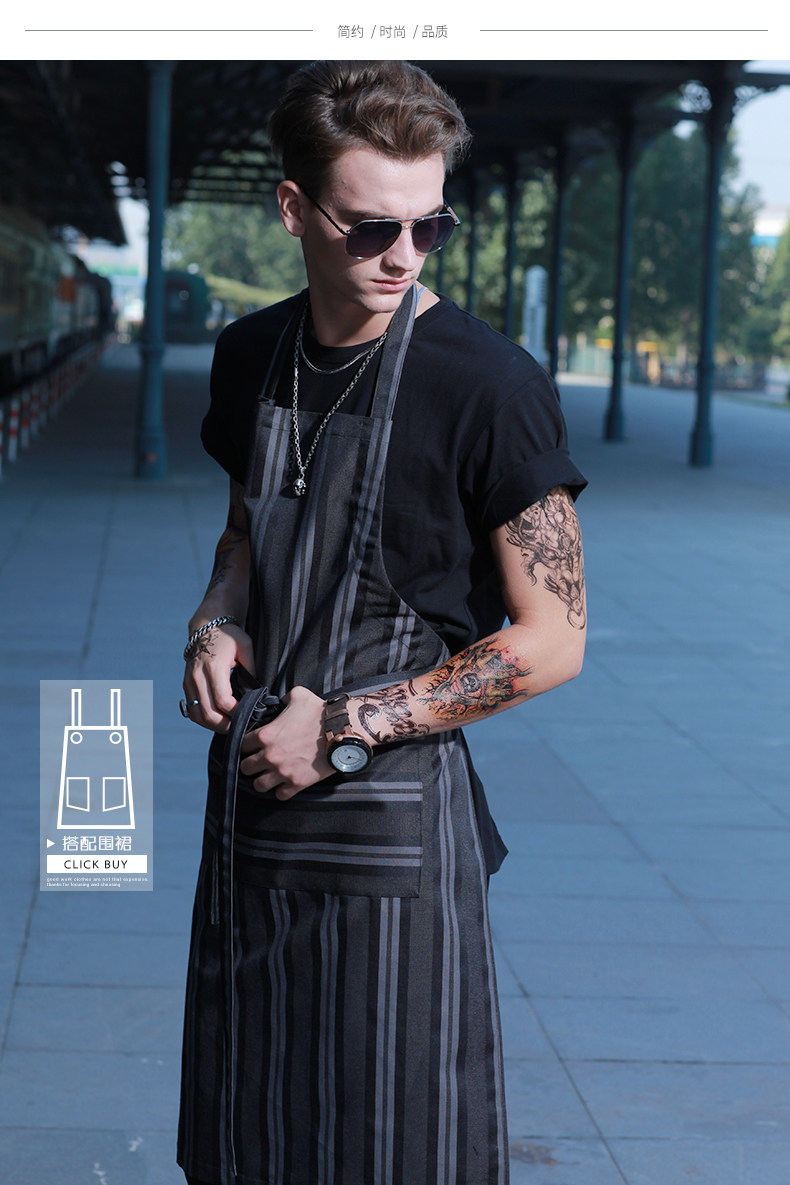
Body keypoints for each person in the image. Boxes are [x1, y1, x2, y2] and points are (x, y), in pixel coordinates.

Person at [177, 60, 587, 1185]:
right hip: (254, 811)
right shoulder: (249, 355)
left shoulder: (491, 386)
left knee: (393, 1147)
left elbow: (554, 637)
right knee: (245, 1137)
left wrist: (347, 726)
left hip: (393, 832)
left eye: (429, 225)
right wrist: (217, 617)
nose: (404, 256)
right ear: (293, 208)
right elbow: (245, 531)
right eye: (370, 229)